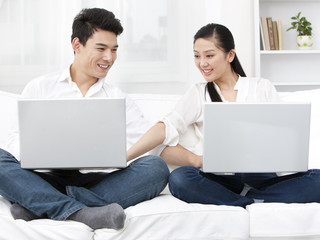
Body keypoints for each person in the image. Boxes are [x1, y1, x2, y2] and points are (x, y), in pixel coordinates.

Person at [0, 8, 169, 230]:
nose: (109, 57)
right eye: (101, 48)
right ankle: (80, 212)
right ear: (77, 45)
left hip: (98, 179)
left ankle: (40, 205)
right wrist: (42, 154)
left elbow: (142, 146)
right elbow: (14, 140)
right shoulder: (41, 87)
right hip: (44, 177)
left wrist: (110, 155)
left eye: (114, 50)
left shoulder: (118, 98)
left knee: (157, 168)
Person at [127, 23, 320, 207]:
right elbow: (166, 128)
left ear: (230, 55)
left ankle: (250, 199)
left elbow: (284, 135)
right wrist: (198, 160)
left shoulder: (261, 87)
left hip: (263, 177)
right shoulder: (198, 93)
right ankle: (252, 202)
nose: (202, 63)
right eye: (196, 56)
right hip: (219, 179)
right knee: (180, 179)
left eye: (209, 55)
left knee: (317, 179)